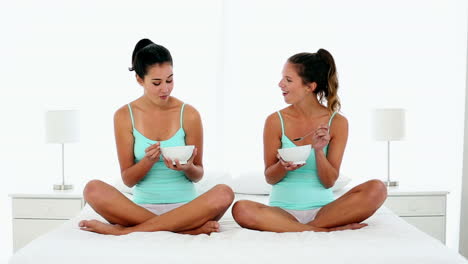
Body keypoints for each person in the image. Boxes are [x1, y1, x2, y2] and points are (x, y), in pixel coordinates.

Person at [79, 39, 234, 235]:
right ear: (139, 79)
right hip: (140, 210)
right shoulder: (124, 116)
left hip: (188, 209)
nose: (165, 89)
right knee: (92, 189)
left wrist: (188, 167)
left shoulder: (189, 114)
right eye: (156, 83)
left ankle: (123, 232)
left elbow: (198, 174)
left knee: (224, 192)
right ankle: (185, 230)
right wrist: (147, 162)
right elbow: (128, 179)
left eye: (170, 80)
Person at [231, 49, 387, 232]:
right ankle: (320, 230)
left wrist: (319, 151)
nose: (280, 84)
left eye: (288, 80)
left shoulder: (337, 122)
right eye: (282, 78)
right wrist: (282, 166)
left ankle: (300, 228)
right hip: (281, 212)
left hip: (325, 212)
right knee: (241, 208)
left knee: (377, 188)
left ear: (309, 87)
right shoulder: (275, 121)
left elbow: (329, 182)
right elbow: (270, 178)